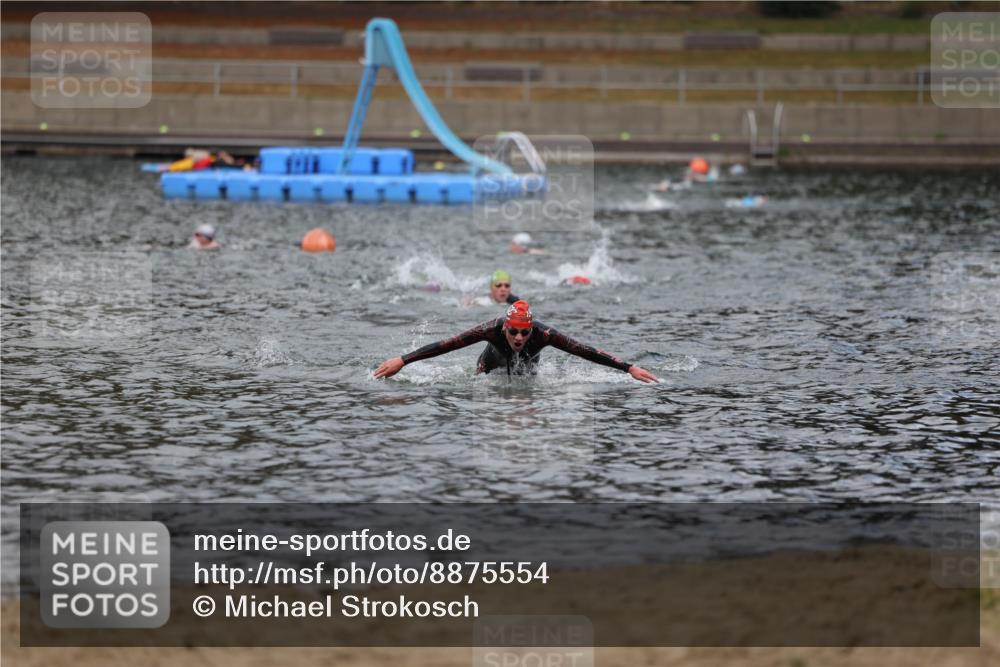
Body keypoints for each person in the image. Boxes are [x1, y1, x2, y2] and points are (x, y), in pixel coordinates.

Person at [374, 300, 658, 383]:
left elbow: (585, 351)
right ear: (505, 328)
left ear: (532, 329)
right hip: (488, 369)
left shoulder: (545, 335)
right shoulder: (491, 329)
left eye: (524, 332)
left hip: (527, 372)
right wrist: (403, 360)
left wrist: (629, 368)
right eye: (513, 332)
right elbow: (447, 344)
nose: (519, 338)